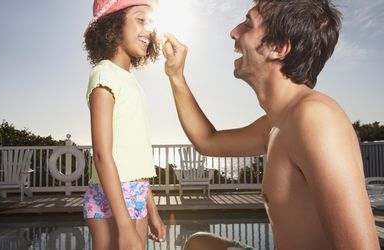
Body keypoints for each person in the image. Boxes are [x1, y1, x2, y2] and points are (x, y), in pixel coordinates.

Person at [162, 0, 380, 249]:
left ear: (278, 47)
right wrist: (176, 75)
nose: (234, 32)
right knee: (200, 244)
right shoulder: (276, 124)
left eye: (247, 23)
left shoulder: (316, 119)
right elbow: (207, 140)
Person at [82, 0, 166, 249]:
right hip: (113, 195)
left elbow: (135, 160)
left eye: (150, 23)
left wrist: (152, 211)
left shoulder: (129, 80)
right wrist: (125, 226)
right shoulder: (104, 74)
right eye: (140, 20)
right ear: (113, 25)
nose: (148, 29)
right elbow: (101, 154)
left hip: (135, 191)